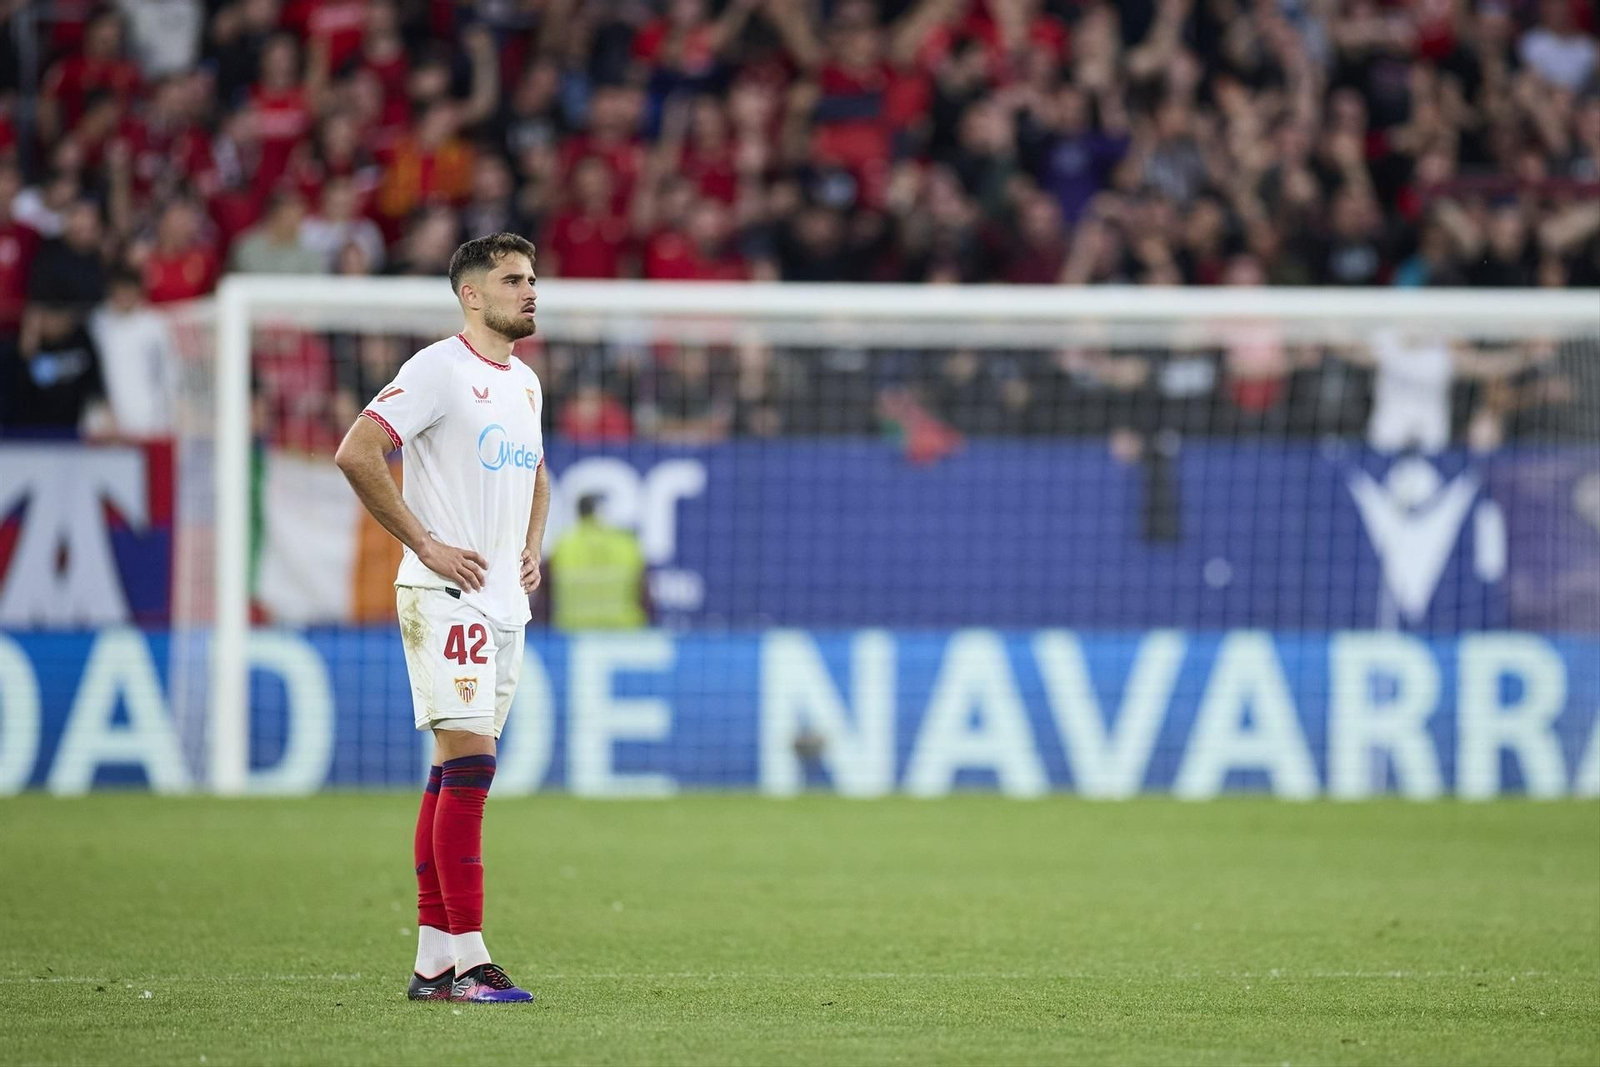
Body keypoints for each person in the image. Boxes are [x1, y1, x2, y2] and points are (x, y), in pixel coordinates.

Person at [333, 232, 548, 1004]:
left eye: (533, 278)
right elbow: (358, 451)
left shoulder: (524, 384)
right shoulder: (437, 369)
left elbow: (538, 474)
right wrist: (425, 542)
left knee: (452, 773)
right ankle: (470, 959)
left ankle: (431, 960)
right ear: (472, 295)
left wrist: (529, 545)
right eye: (514, 279)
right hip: (443, 593)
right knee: (472, 768)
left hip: (502, 600)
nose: (531, 291)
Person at [546, 493, 650, 632]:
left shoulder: (563, 546)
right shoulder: (627, 545)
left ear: (579, 513)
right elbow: (644, 593)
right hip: (623, 631)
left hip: (573, 631)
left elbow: (544, 592)